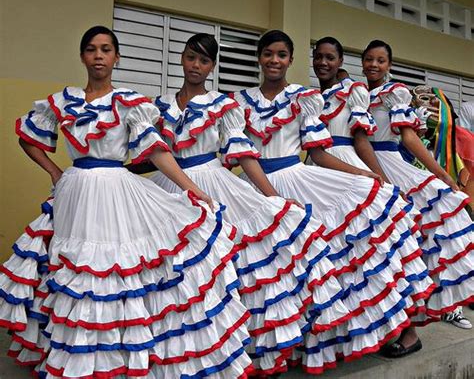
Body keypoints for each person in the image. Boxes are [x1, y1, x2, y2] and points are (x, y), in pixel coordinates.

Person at [0, 26, 254, 378]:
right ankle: (78, 356)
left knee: (113, 270)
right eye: (91, 49)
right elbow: (28, 138)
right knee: (75, 270)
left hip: (114, 190)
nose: (99, 56)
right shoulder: (62, 101)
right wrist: (55, 172)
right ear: (82, 56)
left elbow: (156, 151)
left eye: (106, 49)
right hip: (75, 192)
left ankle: (114, 358)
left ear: (117, 57)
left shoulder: (130, 103)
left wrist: (191, 189)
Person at [128, 33, 352, 376]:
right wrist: (116, 175)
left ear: (212, 67)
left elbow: (243, 155)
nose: (196, 66)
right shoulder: (159, 106)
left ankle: (230, 349)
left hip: (213, 184)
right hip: (172, 186)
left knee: (223, 268)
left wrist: (271, 196)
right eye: (191, 58)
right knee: (172, 270)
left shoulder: (223, 105)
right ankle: (175, 350)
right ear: (182, 59)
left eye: (203, 61)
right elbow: (155, 156)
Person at [232, 30, 433, 373]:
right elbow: (236, 154)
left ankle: (404, 326)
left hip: (299, 179)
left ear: (291, 60)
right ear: (259, 57)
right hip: (254, 184)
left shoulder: (304, 98)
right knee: (271, 271)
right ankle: (283, 347)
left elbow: (319, 154)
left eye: (281, 54)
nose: (274, 60)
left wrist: (364, 177)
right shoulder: (237, 101)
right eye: (268, 53)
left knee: (346, 257)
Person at [359, 39, 474, 353]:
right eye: (369, 59)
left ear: (389, 65)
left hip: (392, 170)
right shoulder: (356, 95)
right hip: (362, 170)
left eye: (380, 60)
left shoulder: (395, 93)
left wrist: (443, 175)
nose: (373, 65)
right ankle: (385, 326)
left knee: (409, 252)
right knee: (378, 257)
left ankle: (411, 332)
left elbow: (409, 137)